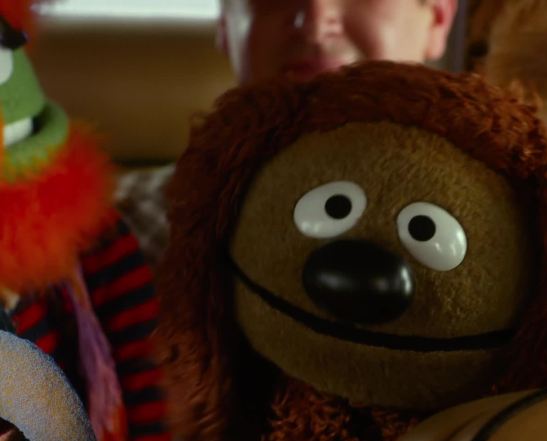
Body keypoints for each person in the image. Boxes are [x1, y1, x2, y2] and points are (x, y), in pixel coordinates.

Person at [116, 0, 459, 266]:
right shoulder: (114, 233)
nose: (314, 24)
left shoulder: (485, 229)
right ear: (225, 23)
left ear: (439, 17)